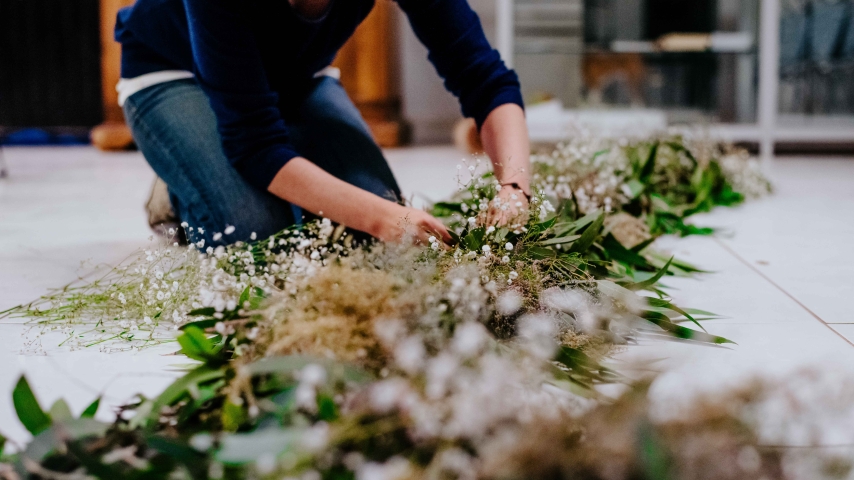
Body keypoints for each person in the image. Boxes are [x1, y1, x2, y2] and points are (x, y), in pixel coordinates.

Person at [115, 0, 531, 247]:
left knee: (365, 235)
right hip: (171, 70)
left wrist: (515, 190)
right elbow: (255, 144)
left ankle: (225, 157)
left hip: (292, 77)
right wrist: (381, 217)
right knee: (257, 237)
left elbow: (486, 81)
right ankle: (177, 186)